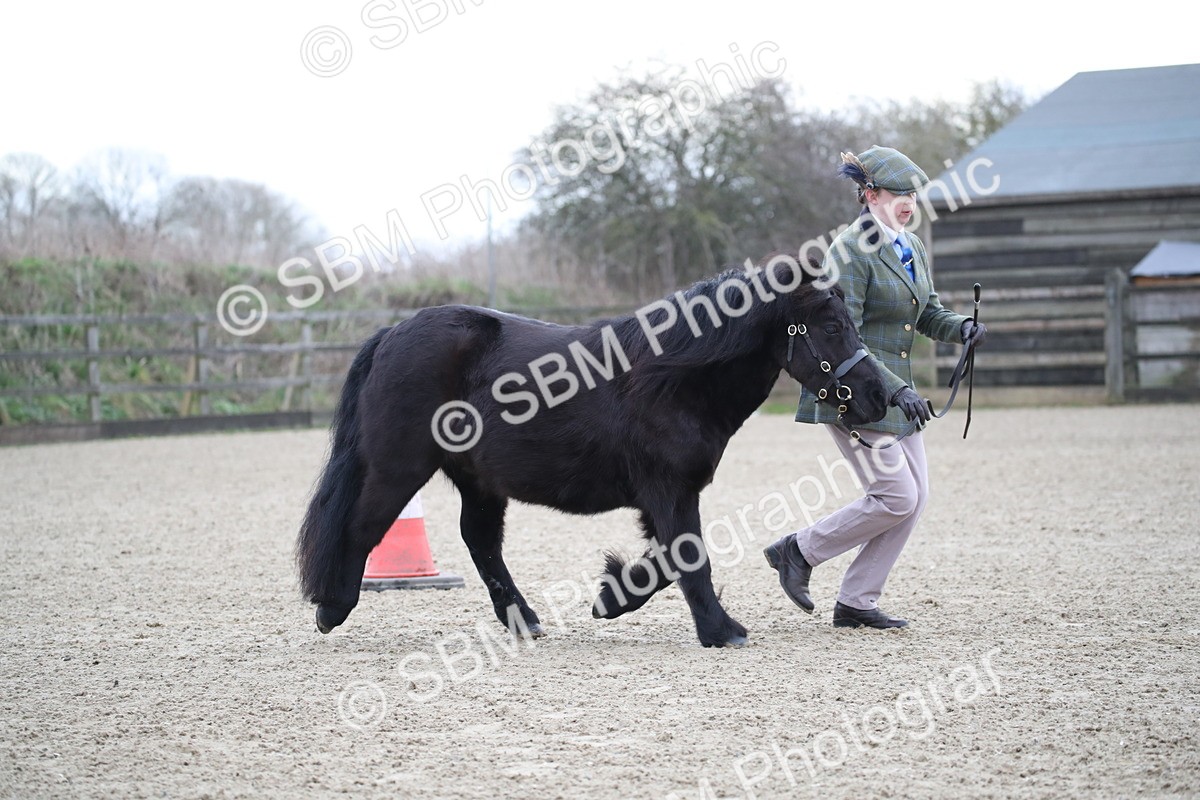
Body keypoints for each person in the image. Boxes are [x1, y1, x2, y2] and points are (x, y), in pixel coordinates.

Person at [764, 145, 987, 629]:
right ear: (869, 195)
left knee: (914, 498)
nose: (907, 201)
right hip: (856, 391)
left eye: (912, 193)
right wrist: (893, 388)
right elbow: (846, 336)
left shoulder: (913, 247)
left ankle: (857, 601)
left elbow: (925, 312)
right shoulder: (850, 250)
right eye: (896, 193)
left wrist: (960, 328)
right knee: (896, 496)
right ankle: (797, 551)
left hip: (898, 394)